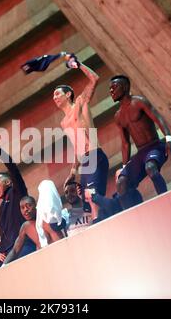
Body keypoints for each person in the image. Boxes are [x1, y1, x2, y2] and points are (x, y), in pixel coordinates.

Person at [52, 54, 109, 221]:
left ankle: (105, 217)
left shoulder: (79, 103)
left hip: (94, 155)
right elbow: (77, 147)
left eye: (57, 94)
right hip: (84, 161)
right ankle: (107, 215)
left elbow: (95, 79)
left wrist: (79, 64)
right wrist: (72, 170)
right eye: (53, 96)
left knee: (92, 196)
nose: (54, 98)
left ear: (68, 94)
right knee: (85, 200)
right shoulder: (63, 122)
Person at [110, 75, 171, 209]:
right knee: (121, 182)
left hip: (155, 146)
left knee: (150, 167)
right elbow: (125, 143)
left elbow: (158, 118)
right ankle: (131, 215)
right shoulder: (118, 116)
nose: (111, 91)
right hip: (141, 153)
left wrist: (168, 138)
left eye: (114, 87)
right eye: (110, 88)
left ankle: (167, 202)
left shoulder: (139, 102)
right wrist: (124, 166)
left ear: (125, 87)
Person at [0, 137, 36, 268]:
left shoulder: (17, 192)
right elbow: (2, 235)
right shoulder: (1, 208)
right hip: (7, 253)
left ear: (8, 182)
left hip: (24, 245)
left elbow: (13, 169)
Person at [3, 196, 45, 264]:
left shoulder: (45, 218)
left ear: (35, 205)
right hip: (40, 260)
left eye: (28, 205)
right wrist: (2, 267)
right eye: (22, 208)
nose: (25, 209)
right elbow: (15, 250)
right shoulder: (25, 226)